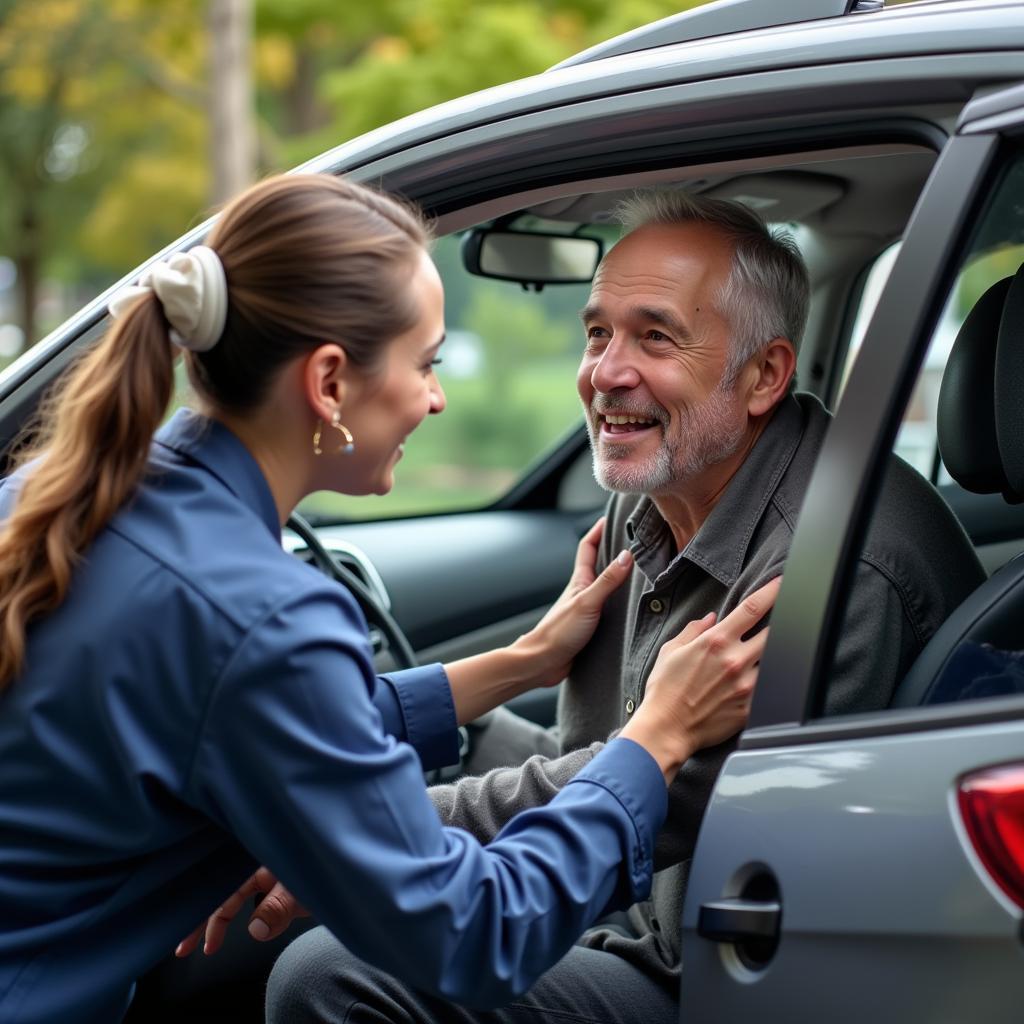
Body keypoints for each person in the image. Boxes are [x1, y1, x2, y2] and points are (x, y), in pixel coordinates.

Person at [0, 175, 779, 1024]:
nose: (437, 397)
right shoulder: (262, 613)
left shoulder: (67, 494)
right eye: (426, 362)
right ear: (330, 384)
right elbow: (477, 934)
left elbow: (243, 709)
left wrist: (521, 664)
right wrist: (653, 740)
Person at [261, 192, 986, 1024]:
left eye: (656, 336)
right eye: (597, 332)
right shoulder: (662, 485)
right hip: (627, 894)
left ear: (766, 376)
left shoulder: (831, 568)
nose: (606, 372)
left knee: (332, 971)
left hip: (702, 963)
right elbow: (598, 752)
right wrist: (440, 735)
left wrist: (364, 828)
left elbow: (660, 801)